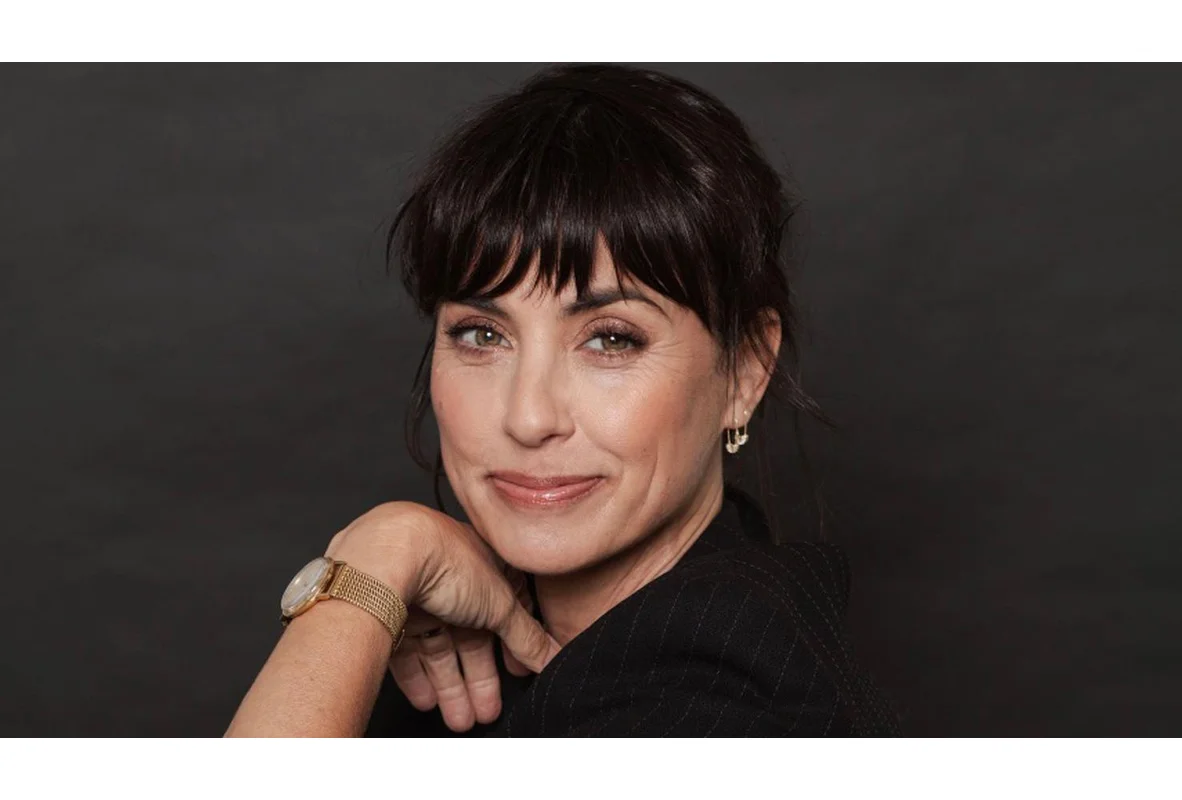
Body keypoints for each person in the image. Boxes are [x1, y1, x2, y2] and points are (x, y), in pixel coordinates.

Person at [226, 63, 900, 737]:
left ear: (745, 372)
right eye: (482, 333)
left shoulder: (727, 714)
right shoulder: (483, 662)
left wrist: (367, 574)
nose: (529, 418)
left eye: (610, 340)